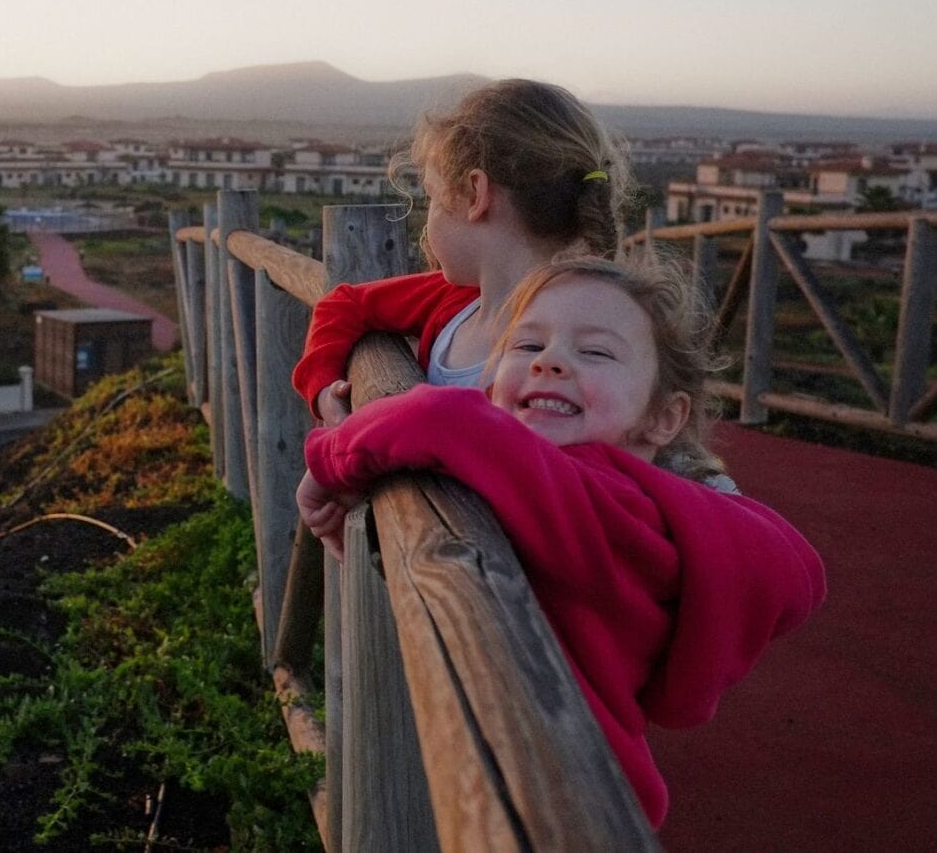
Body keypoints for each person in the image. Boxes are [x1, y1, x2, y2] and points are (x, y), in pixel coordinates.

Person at [296, 258, 825, 827]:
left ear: (663, 418)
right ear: (491, 378)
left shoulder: (602, 503)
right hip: (575, 785)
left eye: (595, 352)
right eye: (525, 347)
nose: (550, 361)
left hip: (552, 805)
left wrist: (331, 459)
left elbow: (446, 417)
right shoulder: (632, 509)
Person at [292, 77, 628, 423]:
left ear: (475, 194)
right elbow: (344, 304)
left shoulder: (565, 359)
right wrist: (324, 388)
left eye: (432, 198)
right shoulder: (457, 298)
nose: (428, 218)